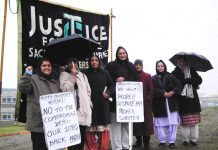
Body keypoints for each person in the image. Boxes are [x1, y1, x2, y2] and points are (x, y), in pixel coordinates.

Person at [18, 58, 61, 150]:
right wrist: (27, 74)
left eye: (49, 65)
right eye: (44, 65)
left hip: (52, 125)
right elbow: (23, 88)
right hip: (38, 124)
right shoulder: (33, 78)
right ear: (39, 67)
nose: (47, 67)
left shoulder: (55, 82)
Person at [106, 46, 138, 150]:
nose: (122, 55)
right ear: (117, 55)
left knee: (127, 126)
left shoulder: (131, 66)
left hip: (128, 102)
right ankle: (116, 147)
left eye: (124, 53)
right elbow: (106, 79)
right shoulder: (111, 65)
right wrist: (116, 79)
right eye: (120, 53)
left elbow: (136, 81)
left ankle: (126, 145)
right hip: (115, 101)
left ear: (126, 54)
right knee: (116, 126)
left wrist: (126, 80)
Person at [59, 57, 92, 150]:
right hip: (72, 113)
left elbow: (88, 91)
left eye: (75, 63)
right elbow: (65, 89)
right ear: (67, 65)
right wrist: (72, 76)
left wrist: (88, 104)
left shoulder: (83, 75)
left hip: (84, 112)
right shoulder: (64, 74)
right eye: (70, 63)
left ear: (78, 64)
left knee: (81, 141)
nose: (73, 65)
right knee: (73, 141)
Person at [84, 54, 114, 150]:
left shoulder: (105, 73)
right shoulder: (84, 74)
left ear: (99, 61)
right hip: (89, 104)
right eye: (92, 60)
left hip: (102, 104)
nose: (94, 62)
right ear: (89, 62)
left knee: (103, 131)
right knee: (90, 131)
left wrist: (108, 93)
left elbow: (112, 86)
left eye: (96, 60)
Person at [171, 56, 202, 147]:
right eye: (180, 60)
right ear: (178, 61)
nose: (182, 62)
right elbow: (173, 83)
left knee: (194, 122)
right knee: (185, 122)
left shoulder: (192, 69)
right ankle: (185, 140)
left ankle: (193, 139)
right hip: (182, 100)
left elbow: (199, 80)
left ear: (186, 61)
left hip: (193, 100)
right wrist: (184, 81)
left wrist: (190, 80)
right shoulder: (175, 72)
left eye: (183, 60)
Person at [152, 60, 181, 149]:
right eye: (158, 66)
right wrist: (162, 93)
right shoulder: (153, 78)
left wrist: (172, 92)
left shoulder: (171, 76)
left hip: (171, 103)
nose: (160, 68)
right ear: (156, 67)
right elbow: (152, 89)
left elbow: (179, 86)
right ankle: (162, 141)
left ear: (164, 67)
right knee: (160, 123)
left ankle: (172, 141)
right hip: (159, 104)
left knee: (172, 123)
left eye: (162, 66)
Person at [132, 59, 154, 150]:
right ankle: (138, 141)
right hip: (135, 105)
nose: (138, 66)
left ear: (142, 66)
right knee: (136, 124)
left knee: (146, 124)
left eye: (139, 65)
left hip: (145, 105)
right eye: (136, 65)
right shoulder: (132, 76)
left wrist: (147, 99)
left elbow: (151, 90)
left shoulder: (147, 76)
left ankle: (146, 143)